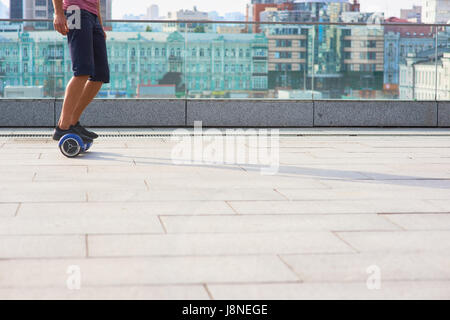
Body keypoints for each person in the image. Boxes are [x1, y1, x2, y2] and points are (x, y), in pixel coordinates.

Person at [52, 0, 110, 141]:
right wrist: (58, 13)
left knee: (100, 74)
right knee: (82, 70)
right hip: (75, 11)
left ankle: (73, 122)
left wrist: (100, 25)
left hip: (93, 16)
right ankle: (63, 127)